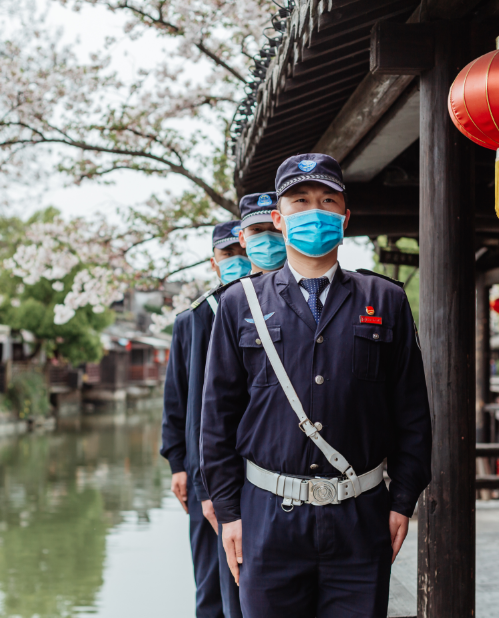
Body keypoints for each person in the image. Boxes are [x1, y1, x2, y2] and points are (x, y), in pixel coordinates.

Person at [200, 153, 432, 617]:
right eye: (300, 202)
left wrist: (402, 501)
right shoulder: (238, 305)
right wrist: (228, 510)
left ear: (345, 219)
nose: (314, 212)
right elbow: (217, 418)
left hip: (361, 515)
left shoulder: (385, 300)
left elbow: (412, 413)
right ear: (278, 218)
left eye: (327, 201)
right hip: (266, 518)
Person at [187, 193, 285, 618]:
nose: (264, 242)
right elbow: (205, 410)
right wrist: (205, 485)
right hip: (237, 476)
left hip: (293, 479)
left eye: (270, 230)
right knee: (231, 582)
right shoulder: (220, 309)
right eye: (254, 233)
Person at [160, 220, 249, 618]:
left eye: (241, 252)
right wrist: (177, 462)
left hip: (255, 463)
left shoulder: (271, 308)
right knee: (211, 579)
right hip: (202, 472)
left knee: (250, 576)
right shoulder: (193, 319)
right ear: (215, 262)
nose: (238, 260)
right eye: (228, 255)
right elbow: (176, 398)